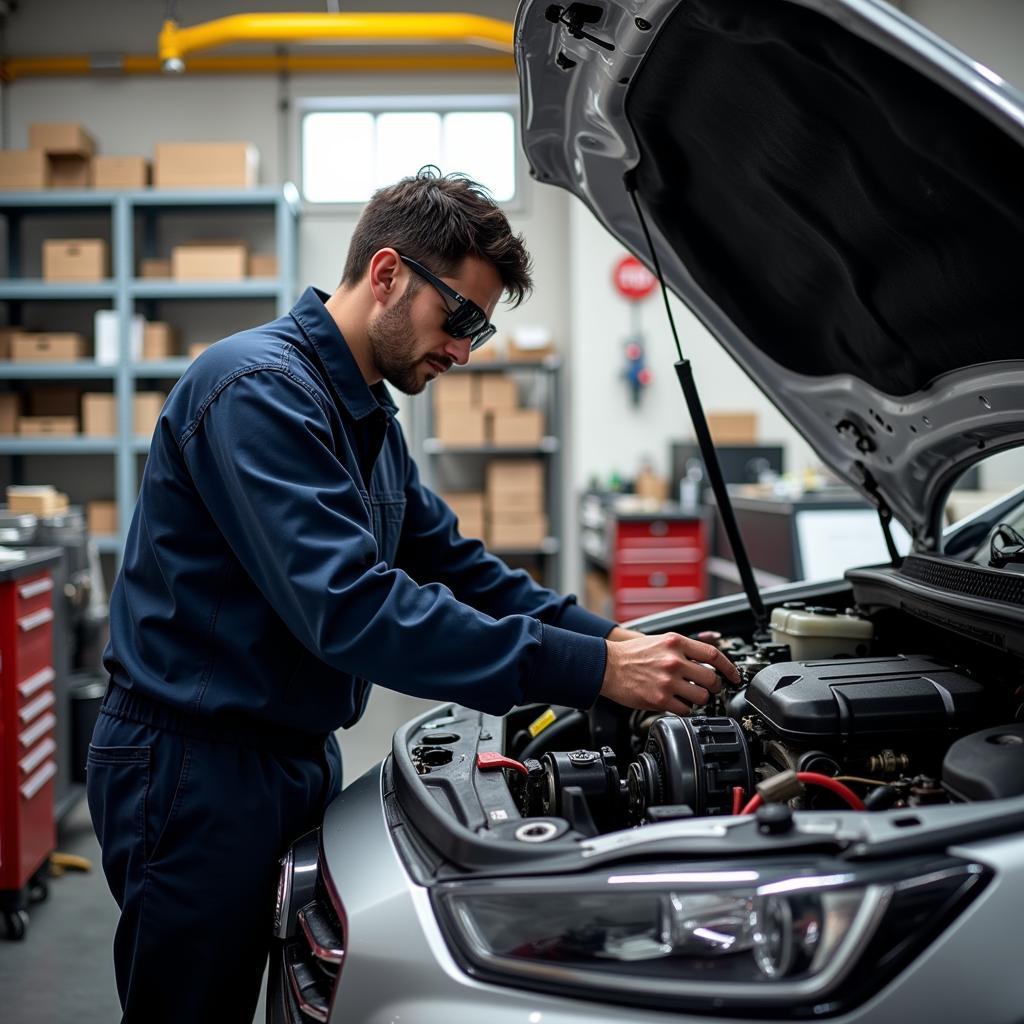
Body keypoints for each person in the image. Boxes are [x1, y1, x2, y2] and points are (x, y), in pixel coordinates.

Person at [86, 167, 739, 1022]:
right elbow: (354, 608)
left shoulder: (363, 421)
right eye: (458, 317)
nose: (464, 349)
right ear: (387, 273)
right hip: (194, 765)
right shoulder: (257, 392)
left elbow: (468, 575)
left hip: (282, 755)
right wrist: (588, 672)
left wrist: (621, 646)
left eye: (479, 330)